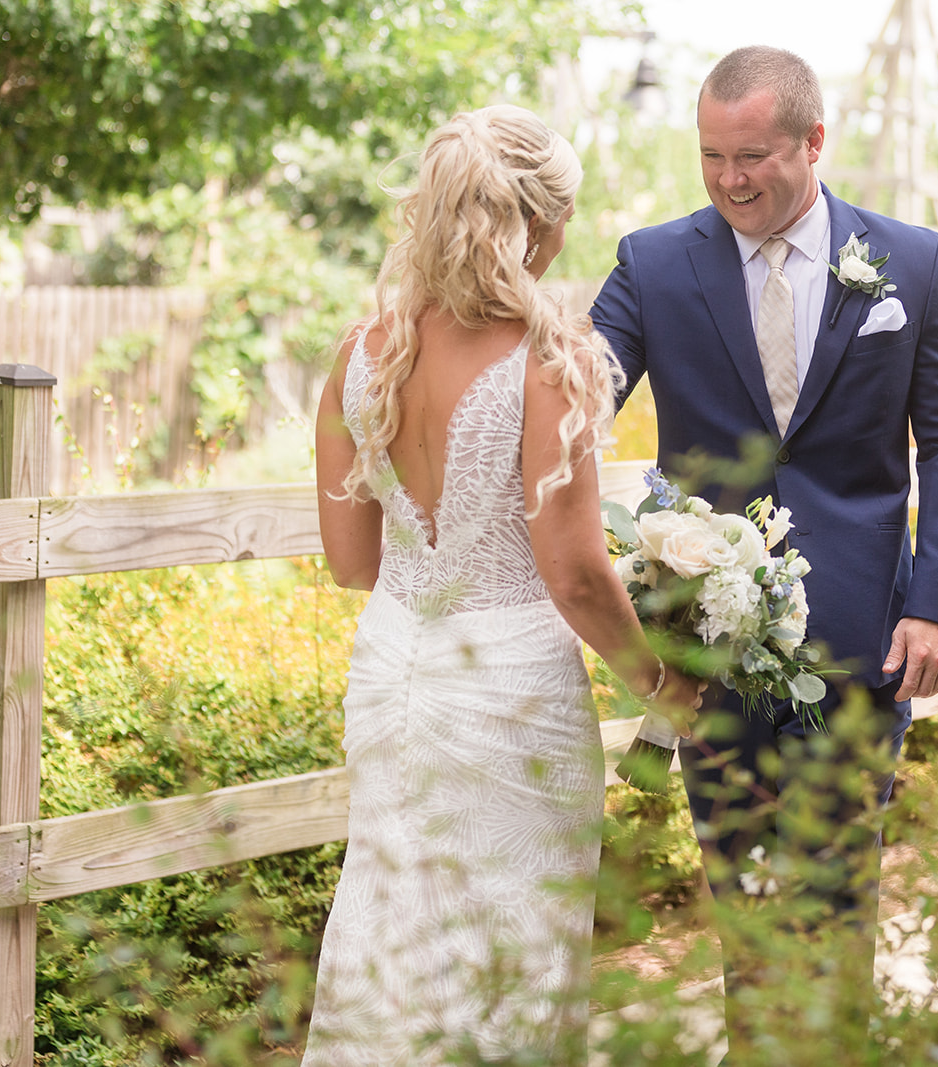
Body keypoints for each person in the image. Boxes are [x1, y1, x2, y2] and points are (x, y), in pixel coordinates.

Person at [591, 45, 938, 1048]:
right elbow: (574, 388)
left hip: (861, 646)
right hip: (711, 649)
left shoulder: (911, 260)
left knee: (836, 896)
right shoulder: (652, 262)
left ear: (814, 141)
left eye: (756, 155)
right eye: (712, 156)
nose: (732, 179)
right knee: (744, 904)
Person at [307, 104, 702, 1065]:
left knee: (390, 924)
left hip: (394, 670)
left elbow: (353, 562)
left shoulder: (363, 355)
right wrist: (666, 687)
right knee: (515, 941)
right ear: (545, 221)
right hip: (513, 692)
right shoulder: (551, 361)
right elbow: (573, 574)